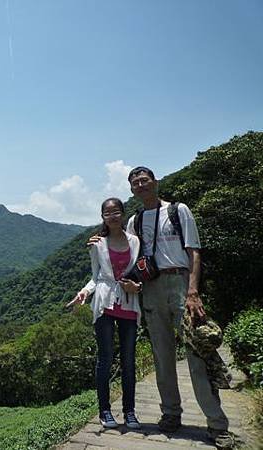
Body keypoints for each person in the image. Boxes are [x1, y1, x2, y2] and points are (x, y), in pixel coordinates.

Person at [124, 166, 233, 448]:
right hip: (151, 289)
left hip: (180, 284)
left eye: (144, 180)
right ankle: (170, 414)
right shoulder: (134, 221)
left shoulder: (178, 210)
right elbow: (130, 259)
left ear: (155, 182)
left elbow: (194, 250)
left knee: (197, 356)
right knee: (162, 357)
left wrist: (193, 291)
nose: (140, 185)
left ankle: (217, 424)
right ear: (132, 189)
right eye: (135, 182)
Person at [68, 197, 142, 429]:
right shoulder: (97, 244)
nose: (112, 216)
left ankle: (130, 411)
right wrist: (84, 293)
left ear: (122, 213)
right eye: (107, 213)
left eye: (116, 211)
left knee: (129, 360)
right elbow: (96, 276)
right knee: (105, 359)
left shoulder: (135, 241)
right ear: (103, 217)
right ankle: (105, 411)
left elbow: (141, 272)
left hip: (129, 303)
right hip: (104, 304)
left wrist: (137, 287)